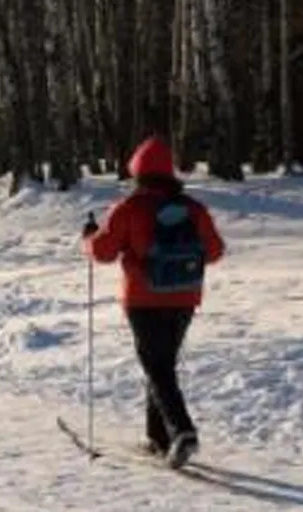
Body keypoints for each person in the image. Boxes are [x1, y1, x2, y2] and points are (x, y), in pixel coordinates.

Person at [82, 135, 226, 468]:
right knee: (161, 365)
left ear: (137, 171)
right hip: (185, 298)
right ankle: (158, 438)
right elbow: (215, 251)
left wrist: (89, 238)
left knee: (157, 368)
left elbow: (103, 252)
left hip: (143, 299)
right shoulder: (193, 209)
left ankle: (182, 432)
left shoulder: (131, 207)